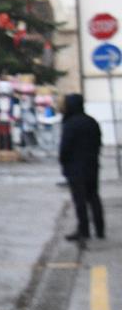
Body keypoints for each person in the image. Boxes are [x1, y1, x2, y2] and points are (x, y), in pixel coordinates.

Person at [59, 93, 104, 242]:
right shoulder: (92, 122)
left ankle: (84, 231)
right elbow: (98, 143)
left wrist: (64, 163)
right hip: (92, 165)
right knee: (94, 197)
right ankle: (100, 229)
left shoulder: (70, 123)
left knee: (80, 200)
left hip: (75, 168)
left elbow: (65, 148)